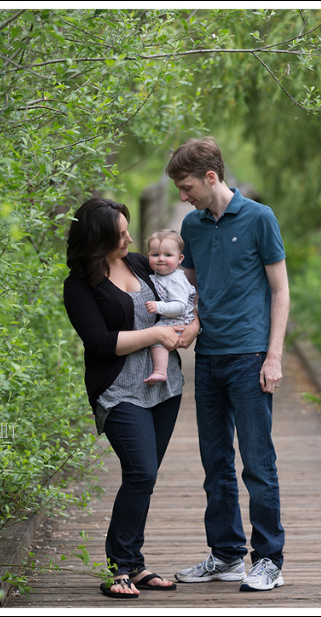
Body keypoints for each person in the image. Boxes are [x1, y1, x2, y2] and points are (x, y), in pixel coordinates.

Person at [167, 137, 290, 592]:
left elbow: (280, 290)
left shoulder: (260, 218)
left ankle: (270, 560)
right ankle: (226, 556)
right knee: (214, 462)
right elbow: (193, 294)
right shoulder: (192, 226)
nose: (183, 196)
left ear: (211, 177)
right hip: (209, 359)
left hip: (251, 357)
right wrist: (189, 329)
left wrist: (274, 355)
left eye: (187, 186)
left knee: (258, 462)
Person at [63, 197, 198, 598]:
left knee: (145, 478)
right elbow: (101, 342)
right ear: (99, 239)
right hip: (120, 390)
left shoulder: (140, 263)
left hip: (164, 387)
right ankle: (118, 567)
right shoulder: (80, 286)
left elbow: (186, 291)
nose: (130, 238)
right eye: (121, 234)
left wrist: (193, 326)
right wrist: (155, 335)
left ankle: (135, 565)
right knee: (141, 472)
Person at [143, 229, 197, 384]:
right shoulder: (160, 275)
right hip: (172, 315)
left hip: (179, 318)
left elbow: (180, 306)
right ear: (148, 256)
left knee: (156, 336)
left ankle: (160, 371)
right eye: (155, 254)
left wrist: (159, 307)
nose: (161, 259)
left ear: (180, 258)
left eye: (168, 255)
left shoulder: (175, 279)